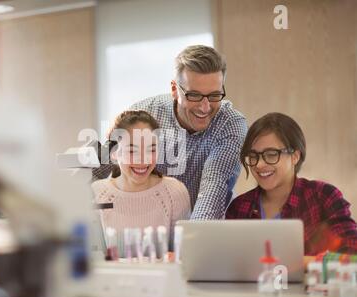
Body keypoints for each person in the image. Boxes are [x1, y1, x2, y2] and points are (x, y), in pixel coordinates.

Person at [93, 45, 247, 219]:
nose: (205, 107)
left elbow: (212, 190)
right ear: (174, 89)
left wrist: (189, 242)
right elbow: (98, 168)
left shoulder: (230, 124)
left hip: (206, 233)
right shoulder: (146, 114)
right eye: (194, 95)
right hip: (150, 226)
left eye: (214, 95)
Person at [226, 112, 357, 255]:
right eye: (253, 156)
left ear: (295, 156)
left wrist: (305, 264)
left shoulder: (323, 196)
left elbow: (351, 250)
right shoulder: (239, 207)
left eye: (271, 154)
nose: (259, 164)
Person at [91, 110, 191, 251]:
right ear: (113, 153)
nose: (143, 159)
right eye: (132, 151)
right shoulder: (97, 193)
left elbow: (183, 254)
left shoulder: (175, 192)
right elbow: (94, 258)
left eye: (151, 149)